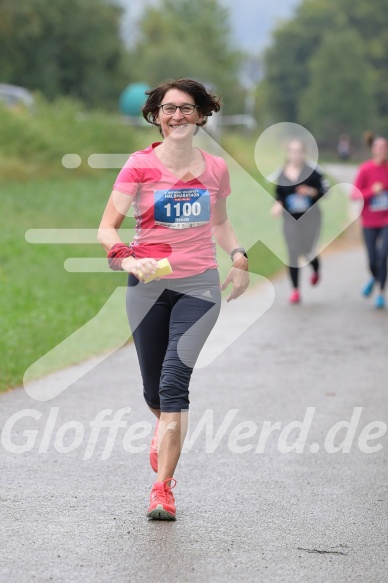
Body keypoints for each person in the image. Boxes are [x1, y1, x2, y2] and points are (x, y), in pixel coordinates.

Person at [98, 78, 249, 520]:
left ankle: (162, 489)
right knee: (152, 391)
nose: (177, 116)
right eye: (169, 109)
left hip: (199, 286)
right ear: (157, 117)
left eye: (186, 108)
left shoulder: (215, 169)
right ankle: (163, 430)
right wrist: (126, 260)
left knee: (172, 384)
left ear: (201, 115)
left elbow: (220, 224)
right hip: (147, 286)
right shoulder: (139, 165)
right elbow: (107, 226)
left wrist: (238, 256)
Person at [271, 139, 329, 304]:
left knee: (307, 249)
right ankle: (295, 290)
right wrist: (277, 205)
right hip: (290, 219)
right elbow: (279, 194)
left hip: (311, 218)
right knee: (293, 251)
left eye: (298, 151)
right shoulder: (281, 173)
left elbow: (325, 190)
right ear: (288, 153)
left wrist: (311, 191)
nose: (295, 155)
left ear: (303, 153)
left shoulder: (313, 172)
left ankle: (316, 267)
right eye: (292, 151)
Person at [352, 135, 388, 309]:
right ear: (373, 149)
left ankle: (380, 293)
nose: (382, 150)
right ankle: (374, 278)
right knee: (372, 261)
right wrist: (371, 191)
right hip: (369, 222)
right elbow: (354, 195)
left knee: (383, 256)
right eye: (379, 147)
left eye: (385, 147)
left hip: (386, 220)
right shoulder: (365, 169)